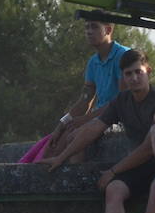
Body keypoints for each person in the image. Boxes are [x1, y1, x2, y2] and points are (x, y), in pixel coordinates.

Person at [63, 50, 155, 213]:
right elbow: (94, 128)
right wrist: (62, 155)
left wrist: (113, 170)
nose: (133, 78)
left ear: (148, 71)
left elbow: (147, 149)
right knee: (114, 189)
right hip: (139, 166)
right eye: (128, 74)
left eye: (137, 72)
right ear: (122, 77)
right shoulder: (122, 101)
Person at [38, 21, 129, 165]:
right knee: (54, 144)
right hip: (99, 117)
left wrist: (86, 120)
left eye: (94, 27)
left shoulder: (123, 55)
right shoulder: (93, 62)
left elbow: (123, 101)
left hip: (119, 118)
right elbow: (85, 100)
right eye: (86, 27)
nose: (88, 31)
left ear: (108, 29)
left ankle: (75, 182)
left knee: (74, 137)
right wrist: (61, 124)